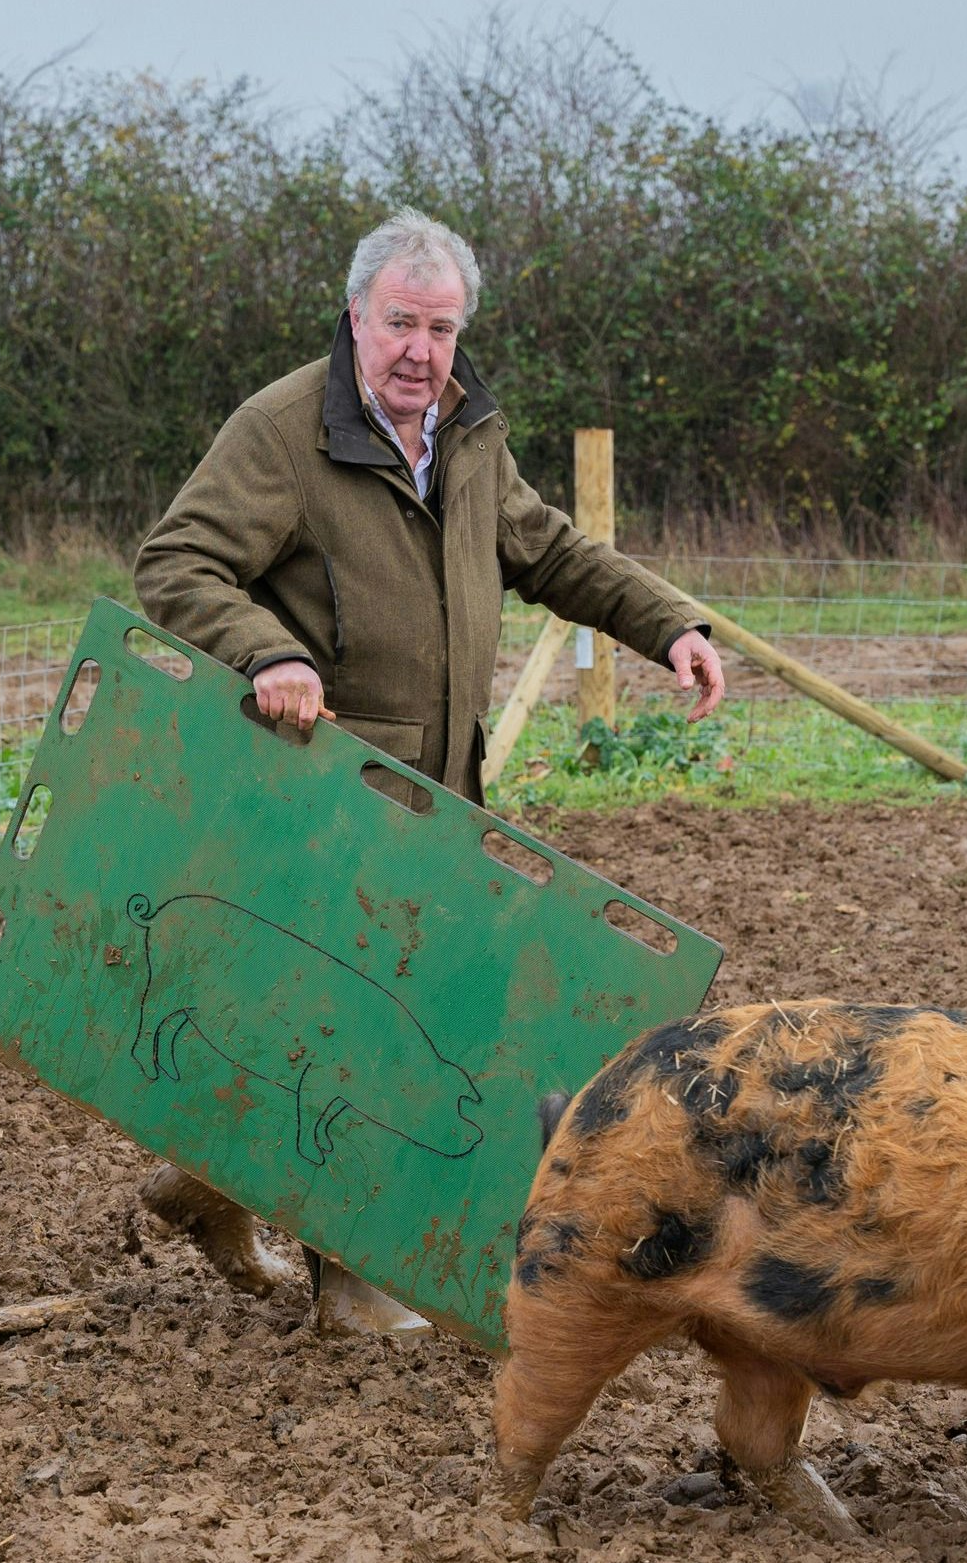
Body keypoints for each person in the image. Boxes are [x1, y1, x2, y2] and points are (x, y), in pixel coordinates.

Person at [131, 207, 727, 1333]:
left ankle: (205, 1184)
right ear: (357, 315)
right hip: (329, 790)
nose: (420, 351)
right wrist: (268, 652)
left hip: (442, 794)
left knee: (367, 1014)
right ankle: (355, 1280)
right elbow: (177, 561)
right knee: (364, 1031)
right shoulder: (283, 432)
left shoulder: (468, 433)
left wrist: (669, 625)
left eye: (442, 329)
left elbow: (547, 549)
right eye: (401, 322)